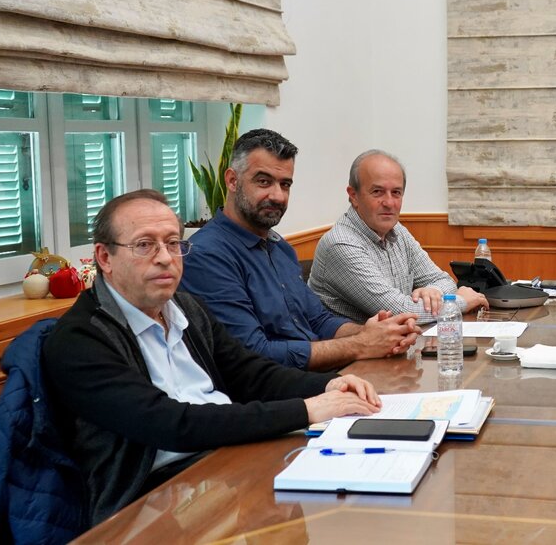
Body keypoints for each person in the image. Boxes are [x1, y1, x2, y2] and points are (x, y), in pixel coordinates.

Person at [42, 190, 385, 526]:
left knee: (362, 498)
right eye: (145, 245)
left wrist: (330, 385)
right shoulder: (80, 339)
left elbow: (251, 374)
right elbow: (171, 425)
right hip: (152, 504)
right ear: (104, 258)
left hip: (229, 461)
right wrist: (307, 410)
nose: (165, 258)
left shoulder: (186, 308)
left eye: (173, 243)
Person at [181, 129, 420, 370]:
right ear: (232, 181)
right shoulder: (206, 255)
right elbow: (254, 354)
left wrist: (377, 333)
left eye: (285, 184)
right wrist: (360, 344)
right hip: (280, 386)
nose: (277, 196)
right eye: (263, 181)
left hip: (322, 374)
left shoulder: (280, 248)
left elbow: (319, 320)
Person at [309, 149, 487, 324]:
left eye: (396, 192)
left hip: (399, 340)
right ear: (353, 196)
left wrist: (433, 291)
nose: (389, 203)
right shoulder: (341, 244)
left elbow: (443, 280)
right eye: (377, 192)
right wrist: (461, 302)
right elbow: (400, 312)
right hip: (347, 343)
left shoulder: (397, 231)